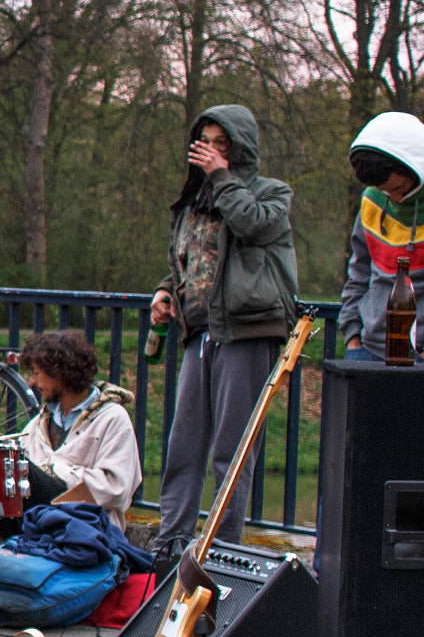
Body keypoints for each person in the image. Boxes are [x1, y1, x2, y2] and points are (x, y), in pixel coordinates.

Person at [149, 105, 297, 559]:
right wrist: (164, 291)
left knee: (231, 453)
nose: (210, 150)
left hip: (249, 333)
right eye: (205, 141)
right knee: (183, 447)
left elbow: (250, 223)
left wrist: (221, 177)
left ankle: (222, 550)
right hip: (200, 332)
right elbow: (189, 260)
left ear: (239, 148)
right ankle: (170, 544)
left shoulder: (272, 193)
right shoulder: (192, 202)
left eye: (221, 142)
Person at [15, 329, 141, 530]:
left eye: (37, 373)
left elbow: (117, 489)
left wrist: (54, 471)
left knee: (28, 473)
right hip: (41, 527)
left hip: (89, 530)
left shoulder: (113, 418)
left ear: (59, 373)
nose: (32, 382)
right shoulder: (42, 421)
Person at [339, 111, 423, 362]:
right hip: (368, 349)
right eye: (385, 192)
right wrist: (352, 334)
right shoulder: (371, 202)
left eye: (398, 189)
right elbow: (359, 271)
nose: (393, 198)